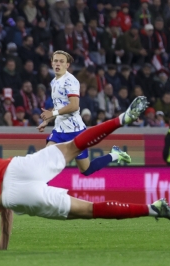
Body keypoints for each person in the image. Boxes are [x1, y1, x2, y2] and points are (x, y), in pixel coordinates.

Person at [0, 96, 170, 251]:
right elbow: (3, 211)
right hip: (18, 166)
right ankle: (121, 119)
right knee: (74, 145)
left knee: (88, 210)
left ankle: (153, 209)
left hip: (16, 193)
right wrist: (3, 243)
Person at [37, 50, 131, 179]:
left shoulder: (71, 81)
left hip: (75, 131)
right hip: (59, 130)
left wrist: (52, 113)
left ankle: (114, 155)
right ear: (52, 63)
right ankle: (40, 192)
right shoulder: (54, 82)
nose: (58, 64)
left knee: (86, 170)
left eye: (61, 61)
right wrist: (47, 119)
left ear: (67, 65)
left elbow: (74, 106)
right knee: (45, 159)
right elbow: (60, 105)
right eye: (55, 61)